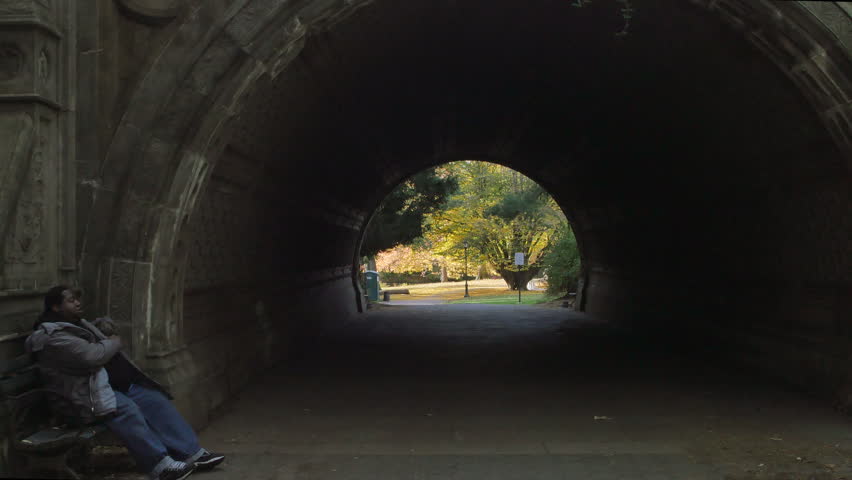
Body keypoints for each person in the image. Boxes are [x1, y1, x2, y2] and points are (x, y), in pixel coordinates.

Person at [25, 285, 225, 480]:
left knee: (153, 399)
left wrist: (102, 331)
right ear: (55, 307)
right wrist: (113, 341)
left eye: (77, 299)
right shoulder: (52, 336)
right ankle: (160, 466)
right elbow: (92, 356)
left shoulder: (77, 323)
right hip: (79, 398)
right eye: (71, 300)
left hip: (101, 388)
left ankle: (191, 453)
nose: (77, 303)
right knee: (126, 409)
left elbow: (93, 348)